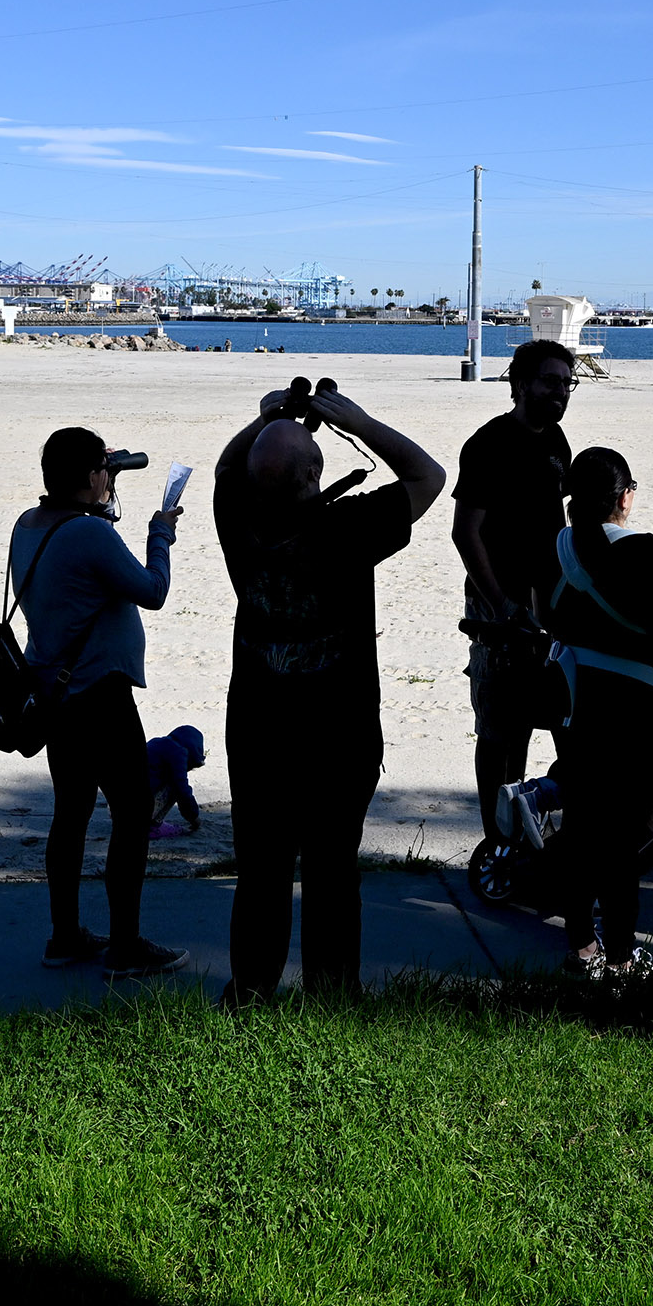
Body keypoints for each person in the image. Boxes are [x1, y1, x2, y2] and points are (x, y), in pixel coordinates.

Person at [211, 379, 447, 1001]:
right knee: (332, 871)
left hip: (258, 730)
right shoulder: (348, 527)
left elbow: (226, 467)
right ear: (315, 477)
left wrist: (268, 418)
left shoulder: (238, 518)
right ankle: (332, 996)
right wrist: (358, 422)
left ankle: (252, 991)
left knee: (261, 870)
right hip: (338, 734)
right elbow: (428, 477)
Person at [10, 426, 185, 978]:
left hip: (55, 693)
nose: (109, 479)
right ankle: (126, 947)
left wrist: (103, 507)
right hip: (99, 695)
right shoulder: (88, 534)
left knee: (71, 815)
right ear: (90, 477)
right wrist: (160, 534)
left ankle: (64, 937)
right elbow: (152, 591)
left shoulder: (29, 524)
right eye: (104, 471)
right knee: (133, 815)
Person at [542, 445, 653, 984]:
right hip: (639, 713)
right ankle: (619, 959)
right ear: (625, 498)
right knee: (620, 840)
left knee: (580, 827)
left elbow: (546, 617)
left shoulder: (558, 549)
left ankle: (580, 948)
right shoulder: (648, 553)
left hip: (576, 708)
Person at [453, 339, 578, 837]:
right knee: (499, 728)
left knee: (534, 718)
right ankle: (495, 833)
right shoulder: (489, 444)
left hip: (547, 605)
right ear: (521, 383)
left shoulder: (556, 441)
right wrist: (499, 604)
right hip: (495, 608)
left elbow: (564, 516)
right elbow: (466, 532)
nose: (560, 393)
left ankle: (520, 820)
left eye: (567, 384)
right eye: (550, 382)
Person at [146, 724, 208, 840]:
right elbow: (183, 791)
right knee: (175, 785)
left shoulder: (156, 743)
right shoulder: (179, 753)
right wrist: (194, 818)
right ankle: (154, 826)